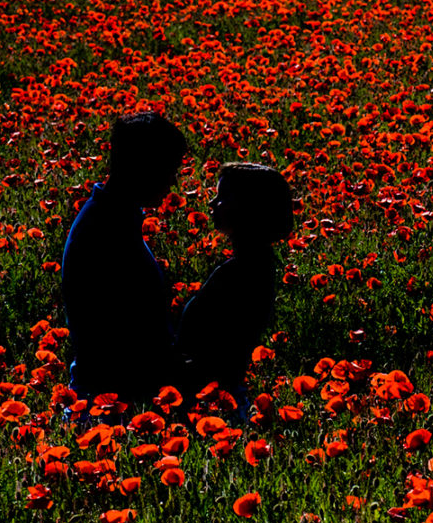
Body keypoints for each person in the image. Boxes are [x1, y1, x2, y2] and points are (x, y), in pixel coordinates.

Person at [61, 111, 187, 404]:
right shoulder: (105, 229)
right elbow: (120, 334)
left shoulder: (115, 217)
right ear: (144, 166)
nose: (173, 181)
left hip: (119, 391)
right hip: (110, 400)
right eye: (169, 168)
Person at [176, 163, 293, 408]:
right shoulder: (259, 264)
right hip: (223, 395)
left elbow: (212, 352)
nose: (211, 204)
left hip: (212, 401)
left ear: (249, 206)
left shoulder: (239, 274)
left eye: (222, 197)